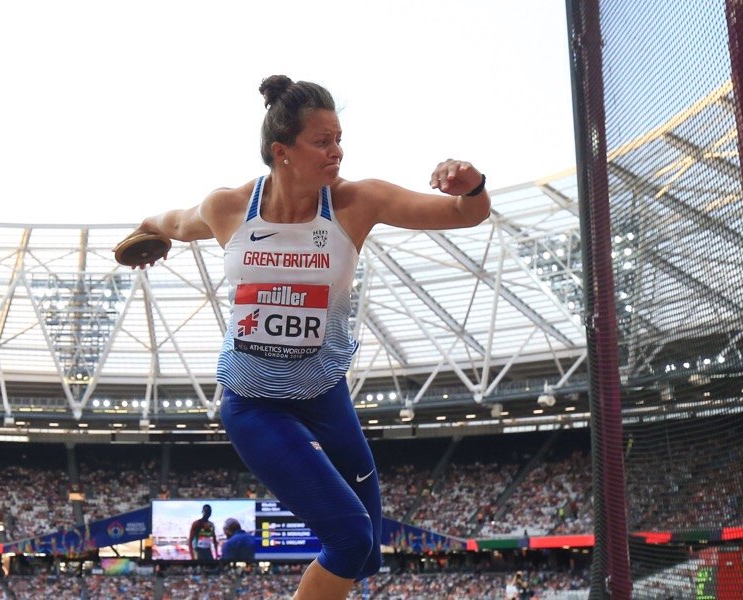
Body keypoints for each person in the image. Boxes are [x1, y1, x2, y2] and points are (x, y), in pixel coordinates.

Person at [127, 75, 490, 600]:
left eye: (340, 138)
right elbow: (171, 221)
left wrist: (471, 184)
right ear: (282, 151)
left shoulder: (355, 203)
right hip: (255, 405)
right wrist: (148, 233)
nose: (337, 152)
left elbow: (467, 215)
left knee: (365, 555)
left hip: (324, 397)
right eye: (323, 141)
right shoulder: (229, 208)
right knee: (347, 536)